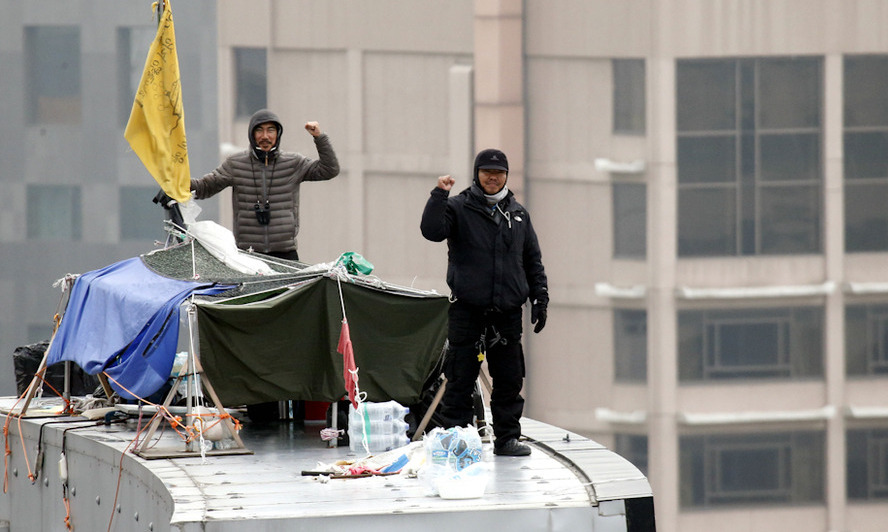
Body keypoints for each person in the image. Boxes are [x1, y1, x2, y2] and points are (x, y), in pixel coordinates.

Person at [420, 148, 549, 457]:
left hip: (507, 312)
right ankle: (458, 442)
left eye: (499, 173)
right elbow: (431, 231)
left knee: (509, 379)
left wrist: (540, 297)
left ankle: (507, 439)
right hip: (467, 309)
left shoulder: (517, 213)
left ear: (506, 176)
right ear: (476, 174)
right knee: (459, 379)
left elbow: (532, 260)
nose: (493, 177)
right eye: (487, 172)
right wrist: (439, 194)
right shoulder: (458, 207)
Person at [190, 108, 340, 261]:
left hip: (286, 254)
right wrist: (175, 185)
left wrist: (319, 137)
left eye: (271, 130)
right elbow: (204, 187)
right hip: (247, 255)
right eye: (259, 131)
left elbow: (329, 170)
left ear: (278, 134)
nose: (265, 136)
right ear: (252, 134)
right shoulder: (235, 164)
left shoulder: (294, 162)